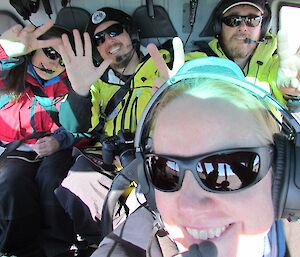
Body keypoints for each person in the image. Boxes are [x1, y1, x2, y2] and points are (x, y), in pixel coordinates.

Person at [90, 57, 299, 257]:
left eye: (224, 170)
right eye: (166, 171)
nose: (190, 205)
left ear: (285, 174)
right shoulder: (135, 242)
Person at [55, 7, 179, 250]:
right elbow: (74, 125)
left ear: (131, 34)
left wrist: (183, 89)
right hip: (110, 160)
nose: (108, 41)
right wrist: (78, 91)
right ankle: (101, 245)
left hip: (157, 157)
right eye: (99, 39)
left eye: (114, 31)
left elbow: (213, 81)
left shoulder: (166, 63)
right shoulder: (96, 81)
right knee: (75, 184)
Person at [0, 21, 83, 257]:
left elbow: (86, 125)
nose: (54, 63)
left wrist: (61, 140)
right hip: (15, 148)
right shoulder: (10, 74)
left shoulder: (75, 81)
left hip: (59, 146)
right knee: (10, 183)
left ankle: (60, 248)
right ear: (33, 49)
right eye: (49, 52)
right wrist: (5, 52)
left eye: (62, 58)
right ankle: (17, 250)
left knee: (52, 181)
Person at [190, 0, 300, 112]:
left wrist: (293, 96)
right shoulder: (199, 62)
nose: (243, 28)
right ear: (219, 27)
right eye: (233, 20)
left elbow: (287, 96)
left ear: (262, 27)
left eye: (252, 20)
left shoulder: (277, 66)